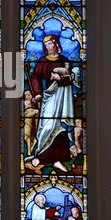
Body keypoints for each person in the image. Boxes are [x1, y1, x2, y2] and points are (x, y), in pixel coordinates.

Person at [29, 35, 75, 173]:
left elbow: (70, 79)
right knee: (47, 126)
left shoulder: (64, 61)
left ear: (55, 44)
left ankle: (57, 160)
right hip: (49, 97)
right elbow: (35, 76)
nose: (48, 47)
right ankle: (41, 156)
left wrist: (60, 79)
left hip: (63, 97)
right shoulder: (43, 61)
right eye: (46, 45)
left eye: (50, 44)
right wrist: (37, 93)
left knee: (60, 126)